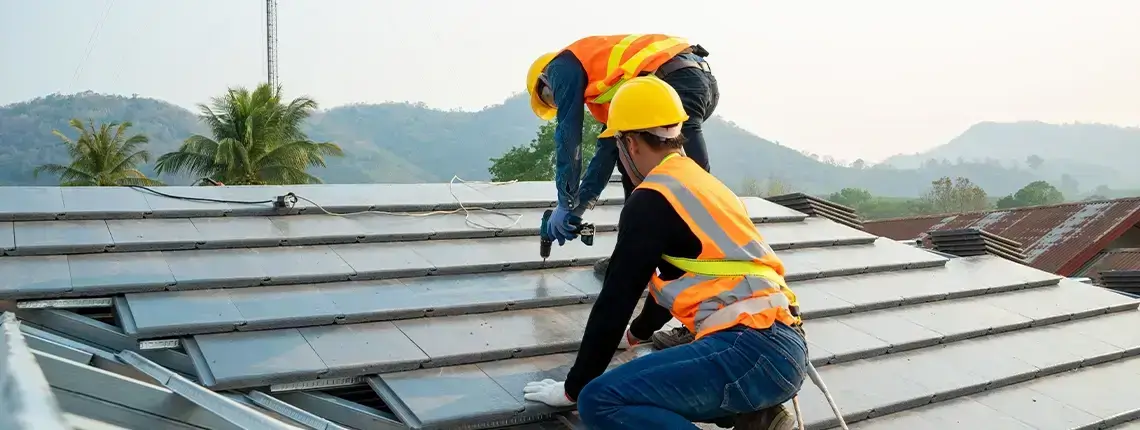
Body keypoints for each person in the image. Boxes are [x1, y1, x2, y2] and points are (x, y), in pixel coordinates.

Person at [522, 76, 807, 430]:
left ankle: (750, 409)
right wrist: (635, 335)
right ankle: (756, 415)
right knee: (653, 393)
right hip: (783, 349)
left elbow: (615, 301)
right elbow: (677, 280)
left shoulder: (652, 197)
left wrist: (572, 389)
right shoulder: (701, 183)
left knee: (600, 401)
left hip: (747, 349)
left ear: (630, 143)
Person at [525, 34, 719, 284]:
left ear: (546, 79)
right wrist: (579, 207)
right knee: (634, 170)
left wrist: (564, 201)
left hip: (675, 80)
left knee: (693, 185)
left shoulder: (561, 66)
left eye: (549, 98)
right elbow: (607, 153)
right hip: (696, 79)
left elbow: (568, 137)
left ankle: (712, 257)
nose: (558, 103)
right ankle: (634, 257)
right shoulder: (609, 90)